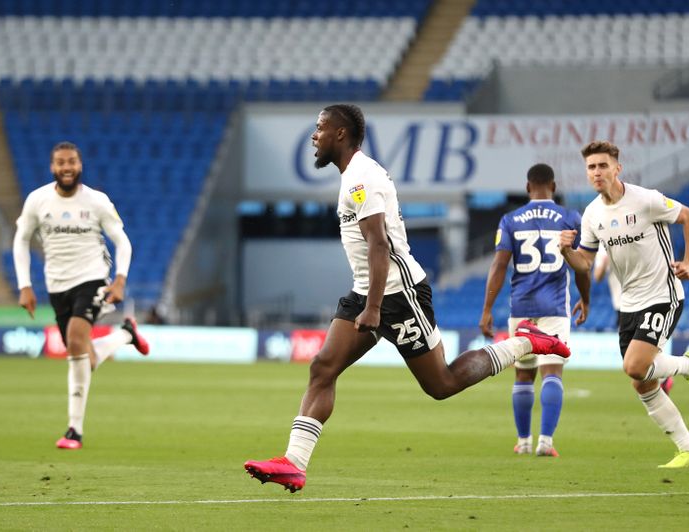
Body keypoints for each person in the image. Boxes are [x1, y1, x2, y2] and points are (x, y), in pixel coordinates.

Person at [243, 104, 571, 493]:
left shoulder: (362, 178)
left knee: (441, 384)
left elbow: (380, 244)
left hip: (398, 295)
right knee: (323, 368)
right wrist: (368, 302)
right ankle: (294, 464)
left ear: (341, 134)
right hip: (368, 292)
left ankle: (527, 341)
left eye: (320, 128)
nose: (314, 136)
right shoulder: (354, 177)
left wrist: (375, 308)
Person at [559, 140, 689, 468]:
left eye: (602, 165)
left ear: (617, 168)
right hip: (629, 303)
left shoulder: (646, 199)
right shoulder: (592, 214)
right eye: (591, 167)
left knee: (635, 366)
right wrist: (566, 252)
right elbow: (585, 262)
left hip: (662, 295)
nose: (597, 172)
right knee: (640, 381)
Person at [12, 141, 149, 450]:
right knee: (81, 355)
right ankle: (125, 335)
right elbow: (21, 240)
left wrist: (119, 281)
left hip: (92, 278)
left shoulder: (97, 201)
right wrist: (25, 285)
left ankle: (74, 430)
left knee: (74, 341)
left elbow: (122, 242)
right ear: (52, 167)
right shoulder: (38, 200)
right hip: (56, 285)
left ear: (80, 165)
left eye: (71, 161)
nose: (67, 167)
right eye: (61, 162)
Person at [479, 163, 590, 458]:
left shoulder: (510, 219)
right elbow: (581, 266)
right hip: (554, 307)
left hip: (522, 307)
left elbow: (499, 265)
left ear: (528, 188)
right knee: (552, 372)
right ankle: (546, 442)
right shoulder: (569, 218)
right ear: (553, 187)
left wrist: (487, 308)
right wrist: (586, 298)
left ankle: (523, 441)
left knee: (523, 374)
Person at [595, 247, 674, 394]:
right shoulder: (603, 247)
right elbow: (597, 276)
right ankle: (662, 378)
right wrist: (605, 262)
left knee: (638, 352)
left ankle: (666, 377)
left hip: (642, 300)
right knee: (631, 356)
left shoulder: (630, 235)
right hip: (621, 305)